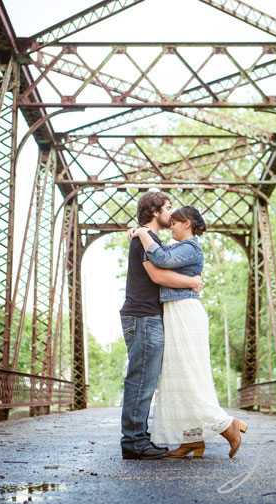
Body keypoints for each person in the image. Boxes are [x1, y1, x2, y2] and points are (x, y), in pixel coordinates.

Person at [132, 205, 247, 458]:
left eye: (174, 222)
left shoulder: (191, 247)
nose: (170, 225)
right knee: (177, 377)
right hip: (175, 312)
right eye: (169, 221)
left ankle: (228, 426)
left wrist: (142, 233)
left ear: (187, 223)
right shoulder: (177, 247)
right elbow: (158, 265)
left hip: (185, 312)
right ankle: (192, 439)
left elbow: (160, 260)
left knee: (191, 374)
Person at [119, 192, 204, 460]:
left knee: (144, 379)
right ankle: (133, 441)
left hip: (146, 315)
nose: (172, 213)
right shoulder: (144, 238)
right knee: (141, 379)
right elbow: (158, 275)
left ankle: (137, 438)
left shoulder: (150, 239)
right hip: (143, 317)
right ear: (155, 211)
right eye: (168, 208)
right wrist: (192, 282)